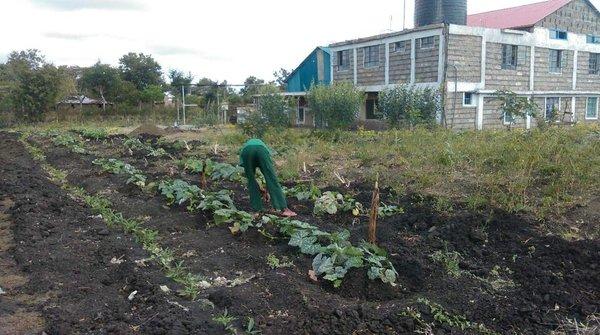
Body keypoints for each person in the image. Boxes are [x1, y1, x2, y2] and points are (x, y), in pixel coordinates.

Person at [239, 138, 297, 217]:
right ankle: (284, 209)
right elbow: (269, 177)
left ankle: (256, 210)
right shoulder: (264, 148)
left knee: (251, 180)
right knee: (271, 178)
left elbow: (250, 176)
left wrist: (263, 190)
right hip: (261, 151)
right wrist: (267, 189)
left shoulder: (245, 147)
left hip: (246, 152)